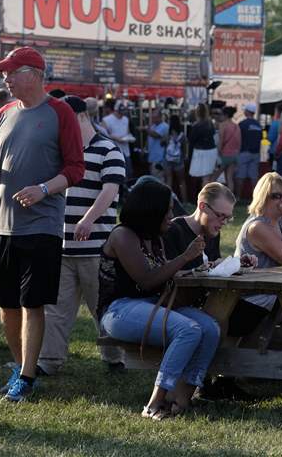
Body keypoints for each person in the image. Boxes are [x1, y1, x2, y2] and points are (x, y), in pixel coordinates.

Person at [0, 47, 85, 402]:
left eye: (12, 71)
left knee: (32, 303)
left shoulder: (60, 112)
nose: (5, 78)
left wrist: (43, 189)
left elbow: (75, 169)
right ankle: (19, 366)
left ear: (35, 74)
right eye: (4, 73)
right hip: (4, 226)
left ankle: (27, 375)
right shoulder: (3, 113)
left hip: (43, 224)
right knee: (6, 306)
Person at [98, 180, 220, 420]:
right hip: (119, 309)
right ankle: (155, 402)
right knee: (189, 330)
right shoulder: (123, 235)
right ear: (151, 209)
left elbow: (166, 275)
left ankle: (183, 397)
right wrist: (185, 257)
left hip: (154, 304)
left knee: (210, 328)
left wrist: (203, 267)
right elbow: (147, 280)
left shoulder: (153, 238)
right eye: (168, 210)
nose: (171, 216)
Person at [38, 95, 126, 376]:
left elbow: (110, 191)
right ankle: (48, 361)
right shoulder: (60, 152)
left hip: (97, 247)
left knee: (102, 308)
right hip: (61, 246)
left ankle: (114, 359)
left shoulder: (108, 150)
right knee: (56, 310)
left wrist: (87, 219)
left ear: (79, 118)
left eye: (63, 121)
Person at [230, 173, 282, 336]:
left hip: (274, 291)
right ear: (263, 198)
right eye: (276, 196)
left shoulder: (280, 221)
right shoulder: (257, 227)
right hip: (252, 298)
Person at [164, 182, 234, 269]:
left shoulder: (213, 232)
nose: (224, 222)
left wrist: (236, 263)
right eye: (220, 215)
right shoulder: (173, 230)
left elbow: (213, 268)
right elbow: (167, 273)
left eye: (228, 217)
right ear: (202, 206)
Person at [188, 103, 217, 187]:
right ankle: (207, 197)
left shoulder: (197, 126)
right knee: (207, 177)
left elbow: (191, 141)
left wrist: (189, 156)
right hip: (211, 151)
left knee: (204, 178)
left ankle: (205, 198)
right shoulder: (210, 124)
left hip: (201, 152)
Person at [236, 104, 262, 197]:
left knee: (240, 176)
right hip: (256, 153)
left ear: (247, 111)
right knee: (254, 177)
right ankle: (255, 199)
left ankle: (237, 197)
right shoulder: (258, 125)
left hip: (244, 152)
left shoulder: (242, 124)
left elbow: (238, 138)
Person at [102, 100, 133, 178]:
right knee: (116, 175)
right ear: (116, 110)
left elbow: (128, 132)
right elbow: (103, 135)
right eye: (121, 111)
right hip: (113, 151)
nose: (122, 114)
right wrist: (116, 138)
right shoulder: (106, 120)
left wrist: (130, 137)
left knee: (128, 173)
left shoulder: (126, 119)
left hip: (126, 151)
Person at [163, 114, 188, 203]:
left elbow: (163, 144)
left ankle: (167, 201)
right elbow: (184, 149)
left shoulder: (167, 134)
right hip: (179, 160)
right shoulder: (182, 135)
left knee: (169, 180)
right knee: (181, 182)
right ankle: (184, 201)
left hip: (168, 159)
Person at [217, 106, 240, 194]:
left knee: (213, 178)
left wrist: (218, 154)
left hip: (224, 155)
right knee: (229, 179)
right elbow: (239, 142)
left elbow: (221, 141)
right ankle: (231, 200)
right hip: (234, 155)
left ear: (225, 115)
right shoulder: (236, 126)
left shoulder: (222, 125)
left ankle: (211, 198)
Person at [146, 109, 169, 182]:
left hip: (160, 158)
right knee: (153, 178)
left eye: (154, 117)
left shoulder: (164, 126)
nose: (152, 119)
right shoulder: (153, 126)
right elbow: (149, 138)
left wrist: (147, 129)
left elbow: (155, 135)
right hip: (152, 157)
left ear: (160, 117)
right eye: (152, 117)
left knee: (159, 180)